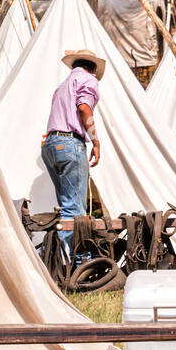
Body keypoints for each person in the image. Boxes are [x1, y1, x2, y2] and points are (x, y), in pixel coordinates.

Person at [41, 49, 105, 264]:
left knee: (66, 206)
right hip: (70, 143)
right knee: (75, 210)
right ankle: (78, 262)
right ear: (93, 69)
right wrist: (95, 141)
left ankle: (57, 258)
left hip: (50, 144)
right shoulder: (88, 79)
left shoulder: (62, 86)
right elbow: (84, 107)